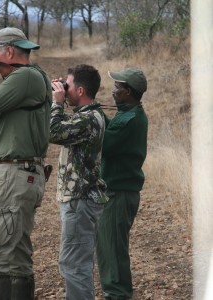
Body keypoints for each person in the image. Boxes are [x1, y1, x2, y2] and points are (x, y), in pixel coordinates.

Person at [0, 27, 52, 300]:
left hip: (12, 177)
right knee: (15, 254)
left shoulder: (26, 76)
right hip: (19, 175)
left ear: (10, 51)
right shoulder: (30, 77)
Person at [50, 64, 108, 300]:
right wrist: (60, 102)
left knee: (75, 265)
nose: (65, 89)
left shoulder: (88, 120)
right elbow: (63, 128)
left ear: (81, 90)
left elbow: (53, 132)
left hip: (80, 201)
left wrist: (56, 103)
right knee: (76, 262)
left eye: (69, 85)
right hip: (81, 200)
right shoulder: (88, 116)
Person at [96, 67, 148, 300]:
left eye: (117, 87)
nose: (113, 90)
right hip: (119, 192)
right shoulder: (129, 114)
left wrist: (89, 112)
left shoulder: (130, 119)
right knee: (109, 248)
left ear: (127, 92)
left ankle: (117, 294)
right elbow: (112, 132)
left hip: (118, 193)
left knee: (113, 250)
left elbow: (104, 144)